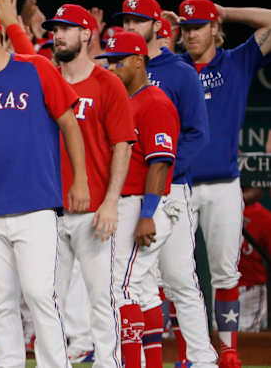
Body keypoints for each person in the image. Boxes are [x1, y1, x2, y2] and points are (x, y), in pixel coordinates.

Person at [0, 4, 89, 367]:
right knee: (1, 302)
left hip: (37, 204)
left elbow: (70, 124)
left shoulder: (35, 68)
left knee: (41, 294)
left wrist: (81, 180)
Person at [117, 0, 217, 367]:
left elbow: (197, 134)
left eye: (137, 21)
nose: (130, 27)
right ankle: (145, 358)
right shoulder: (119, 70)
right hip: (132, 193)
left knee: (178, 278)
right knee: (138, 281)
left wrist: (161, 176)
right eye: (126, 21)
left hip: (170, 186)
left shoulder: (180, 72)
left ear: (158, 25)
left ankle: (203, 358)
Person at [174, 0, 271, 367]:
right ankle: (189, 354)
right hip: (178, 184)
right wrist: (162, 33)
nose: (192, 35)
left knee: (224, 270)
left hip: (223, 184)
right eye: (186, 28)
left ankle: (229, 351)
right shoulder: (174, 66)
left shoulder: (237, 61)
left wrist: (228, 11)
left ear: (215, 28)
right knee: (178, 274)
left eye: (199, 26)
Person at [44, 3, 135, 367]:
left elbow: (123, 145)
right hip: (49, 209)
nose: (58, 34)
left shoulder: (107, 83)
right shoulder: (45, 81)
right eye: (55, 28)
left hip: (94, 208)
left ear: (87, 34)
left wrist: (112, 202)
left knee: (102, 295)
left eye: (66, 28)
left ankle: (108, 363)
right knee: (47, 298)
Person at [95, 31, 180, 368]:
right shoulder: (122, 101)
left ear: (138, 60)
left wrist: (147, 214)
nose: (112, 67)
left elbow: (159, 163)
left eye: (118, 60)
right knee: (142, 290)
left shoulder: (154, 102)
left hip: (146, 205)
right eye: (109, 60)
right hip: (131, 204)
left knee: (120, 287)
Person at [238, 187, 271, 332]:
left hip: (251, 291)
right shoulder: (213, 211)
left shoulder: (264, 217)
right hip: (218, 289)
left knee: (245, 339)